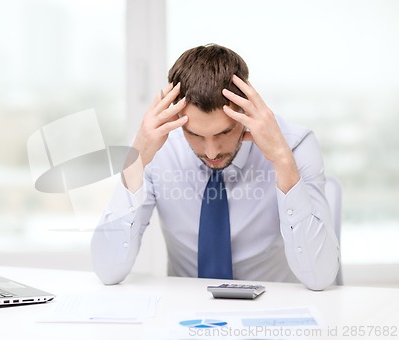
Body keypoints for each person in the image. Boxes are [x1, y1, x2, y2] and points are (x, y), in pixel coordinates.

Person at [91, 44, 340, 290]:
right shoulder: (159, 148)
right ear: (178, 119)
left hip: (272, 312)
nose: (211, 152)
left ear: (245, 110)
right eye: (195, 135)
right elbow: (108, 271)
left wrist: (282, 161)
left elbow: (319, 277)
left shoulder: (296, 144)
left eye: (224, 132)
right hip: (186, 315)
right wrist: (137, 160)